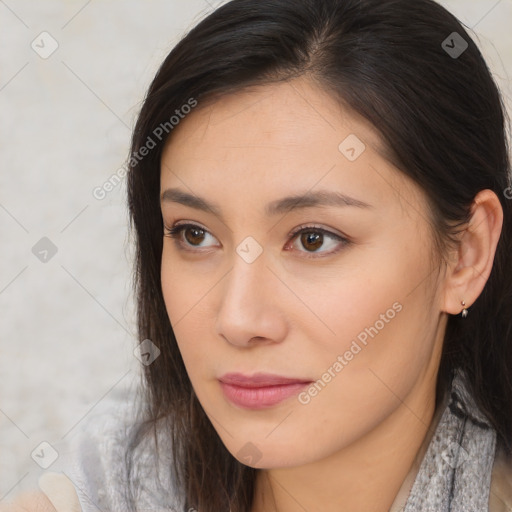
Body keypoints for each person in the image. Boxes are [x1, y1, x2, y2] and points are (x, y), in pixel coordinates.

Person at [5, 0, 512, 510]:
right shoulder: (94, 491)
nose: (237, 319)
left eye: (313, 239)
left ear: (465, 255)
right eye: (195, 234)